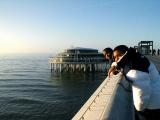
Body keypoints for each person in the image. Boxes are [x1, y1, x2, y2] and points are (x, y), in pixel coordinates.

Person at [108, 45, 160, 120]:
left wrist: (139, 109)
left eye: (117, 56)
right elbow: (120, 62)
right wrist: (115, 65)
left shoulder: (134, 66)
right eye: (114, 57)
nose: (115, 59)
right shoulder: (134, 57)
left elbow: (142, 91)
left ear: (124, 54)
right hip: (156, 98)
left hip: (153, 106)